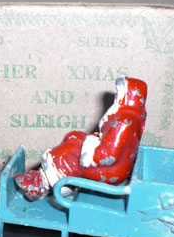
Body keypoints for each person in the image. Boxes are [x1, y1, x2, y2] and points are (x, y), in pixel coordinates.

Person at [14, 77, 147, 201]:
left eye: (120, 93)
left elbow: (109, 156)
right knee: (73, 137)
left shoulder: (124, 121)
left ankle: (39, 186)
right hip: (117, 167)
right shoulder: (130, 117)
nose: (117, 96)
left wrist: (87, 154)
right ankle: (43, 177)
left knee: (68, 154)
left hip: (111, 171)